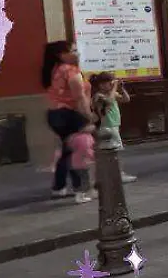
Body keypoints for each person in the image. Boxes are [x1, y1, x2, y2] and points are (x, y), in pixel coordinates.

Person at [42, 41, 96, 203]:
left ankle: (59, 187)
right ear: (61, 55)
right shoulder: (71, 71)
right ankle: (82, 189)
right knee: (81, 148)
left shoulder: (53, 70)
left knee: (68, 150)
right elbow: (79, 97)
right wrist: (89, 116)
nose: (77, 53)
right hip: (71, 115)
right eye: (73, 50)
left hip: (55, 115)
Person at [89, 72, 136, 185]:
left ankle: (113, 174)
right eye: (108, 83)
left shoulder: (112, 94)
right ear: (101, 85)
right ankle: (118, 174)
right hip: (106, 127)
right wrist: (114, 87)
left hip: (113, 126)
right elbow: (109, 101)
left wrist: (121, 88)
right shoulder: (98, 96)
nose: (111, 85)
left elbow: (126, 99)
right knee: (113, 152)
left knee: (113, 152)